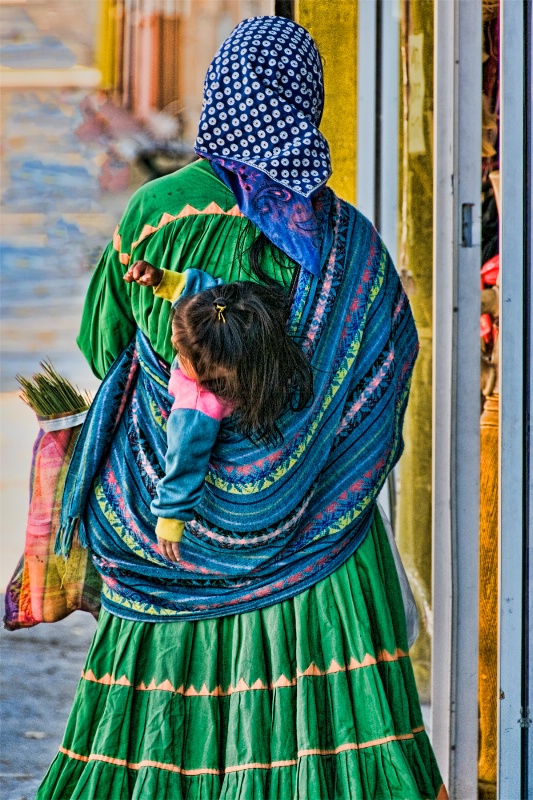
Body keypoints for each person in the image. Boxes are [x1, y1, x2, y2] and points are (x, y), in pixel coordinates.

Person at [37, 15, 446, 799]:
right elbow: (387, 372)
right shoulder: (346, 246)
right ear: (306, 101)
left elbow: (103, 346)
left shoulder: (158, 215)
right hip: (319, 540)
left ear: (220, 97)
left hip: (172, 534)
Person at [123, 260, 313, 562]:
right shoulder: (235, 318)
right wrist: (161, 279)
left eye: (180, 351)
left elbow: (185, 457)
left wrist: (171, 516)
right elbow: (196, 293)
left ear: (211, 370)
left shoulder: (197, 402)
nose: (173, 343)